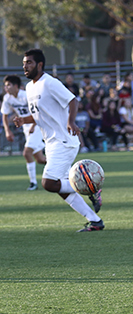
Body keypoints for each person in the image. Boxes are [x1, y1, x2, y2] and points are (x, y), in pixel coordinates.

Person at [15, 48, 104, 232]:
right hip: (52, 142)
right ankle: (95, 221)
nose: (25, 66)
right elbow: (40, 114)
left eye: (29, 63)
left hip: (64, 140)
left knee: (49, 183)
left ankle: (91, 188)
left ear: (40, 65)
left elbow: (73, 101)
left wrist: (70, 121)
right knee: (60, 188)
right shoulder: (30, 87)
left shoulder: (49, 82)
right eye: (24, 63)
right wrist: (25, 120)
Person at [1, 74, 46, 190]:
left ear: (16, 86)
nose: (6, 88)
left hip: (36, 126)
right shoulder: (7, 98)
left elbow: (39, 111)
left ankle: (33, 183)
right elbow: (5, 116)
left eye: (8, 85)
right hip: (26, 128)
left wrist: (34, 125)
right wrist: (7, 131)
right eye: (5, 86)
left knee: (26, 153)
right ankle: (64, 167)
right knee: (40, 159)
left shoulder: (26, 95)